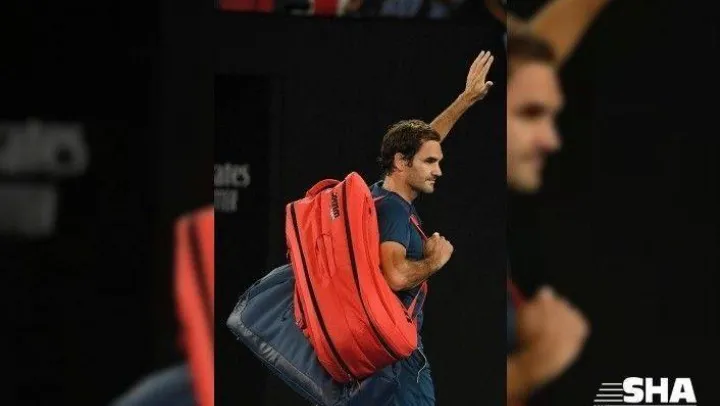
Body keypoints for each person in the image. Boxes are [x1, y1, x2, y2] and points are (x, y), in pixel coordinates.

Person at [350, 50, 495, 405]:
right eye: (431, 162)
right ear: (401, 163)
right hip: (399, 367)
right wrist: (434, 260)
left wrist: (466, 99)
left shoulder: (377, 195)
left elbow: (423, 145)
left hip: (370, 361)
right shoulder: (394, 212)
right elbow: (396, 276)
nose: (438, 170)